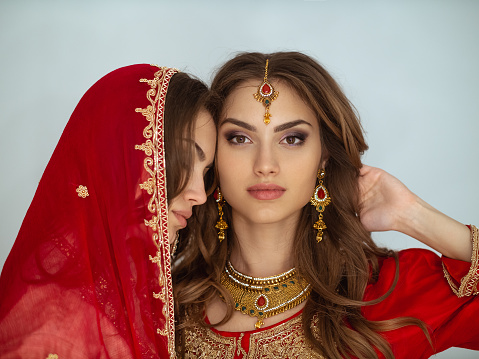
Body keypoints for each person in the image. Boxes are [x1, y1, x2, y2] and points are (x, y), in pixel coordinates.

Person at [173, 52, 479, 358]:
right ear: (213, 155)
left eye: (292, 139)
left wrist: (413, 214)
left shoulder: (384, 296)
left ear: (324, 156)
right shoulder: (167, 307)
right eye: (240, 138)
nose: (265, 165)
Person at [0, 64, 216, 359]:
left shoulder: (121, 292)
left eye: (205, 173)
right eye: (184, 157)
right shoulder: (53, 320)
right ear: (121, 151)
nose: (200, 195)